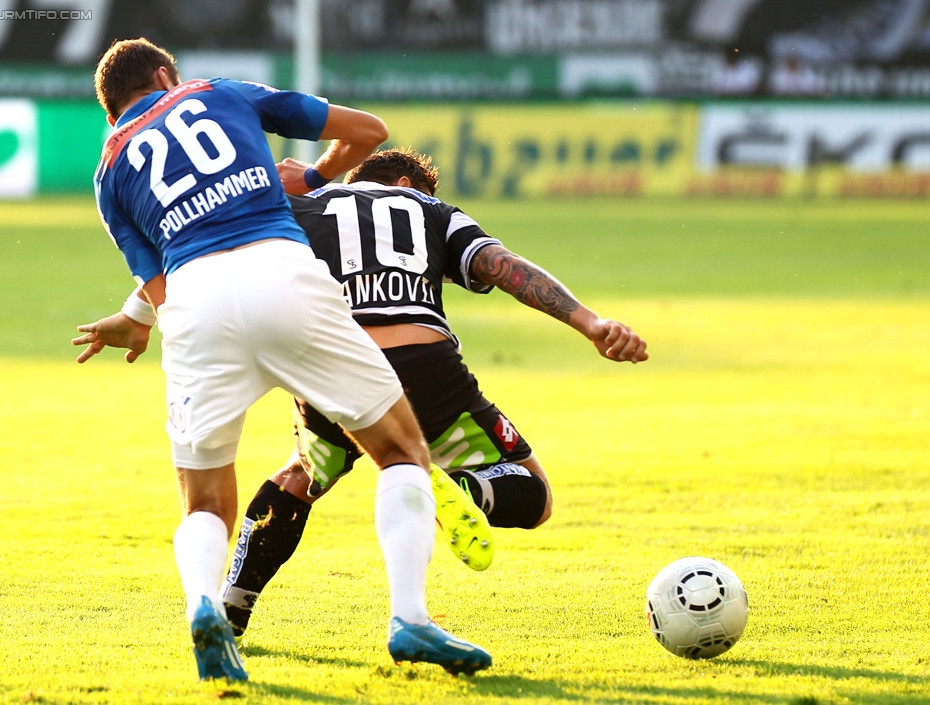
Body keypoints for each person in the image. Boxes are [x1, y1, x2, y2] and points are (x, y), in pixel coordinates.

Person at [74, 38, 492, 682]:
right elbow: (368, 132)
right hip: (283, 274)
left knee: (205, 503)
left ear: (113, 112)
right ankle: (409, 618)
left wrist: (138, 325)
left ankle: (203, 608)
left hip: (196, 307)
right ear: (165, 76)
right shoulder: (220, 92)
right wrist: (316, 176)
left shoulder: (108, 171)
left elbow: (161, 292)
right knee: (402, 452)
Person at [218, 148, 649, 643]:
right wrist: (591, 323)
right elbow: (501, 266)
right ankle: (465, 492)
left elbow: (214, 245)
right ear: (406, 184)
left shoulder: (305, 206)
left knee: (301, 475)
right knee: (534, 493)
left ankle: (232, 603)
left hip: (329, 366)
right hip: (424, 371)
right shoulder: (431, 210)